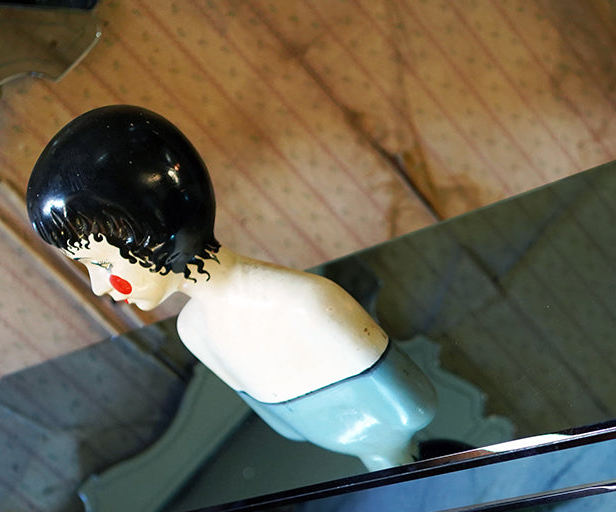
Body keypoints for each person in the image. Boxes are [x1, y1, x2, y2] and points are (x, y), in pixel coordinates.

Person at [26, 105, 436, 470]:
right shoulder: (195, 331)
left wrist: (384, 444)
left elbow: (410, 406)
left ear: (153, 233)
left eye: (101, 263)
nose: (100, 286)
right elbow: (288, 424)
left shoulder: (307, 303)